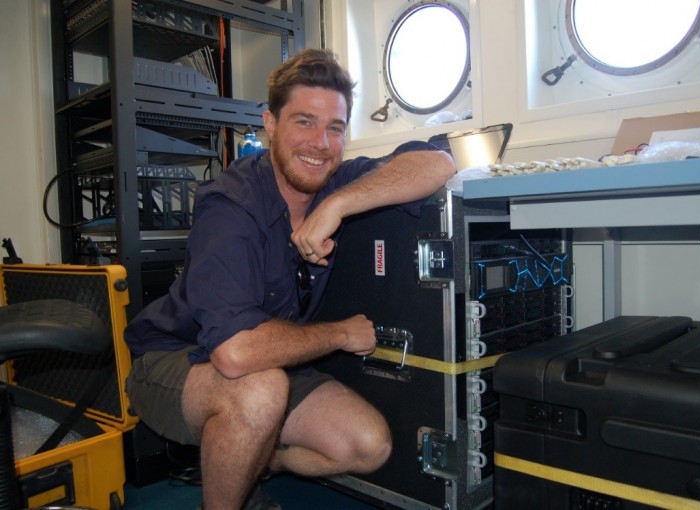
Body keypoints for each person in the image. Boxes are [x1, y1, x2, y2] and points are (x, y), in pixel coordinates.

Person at [123, 47, 457, 510]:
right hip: (174, 359)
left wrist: (336, 208)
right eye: (304, 122)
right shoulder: (231, 206)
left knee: (367, 444)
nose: (320, 143)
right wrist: (340, 334)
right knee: (261, 391)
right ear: (271, 124)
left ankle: (259, 461)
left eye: (335, 128)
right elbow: (236, 354)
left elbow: (437, 162)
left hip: (272, 367)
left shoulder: (336, 184)